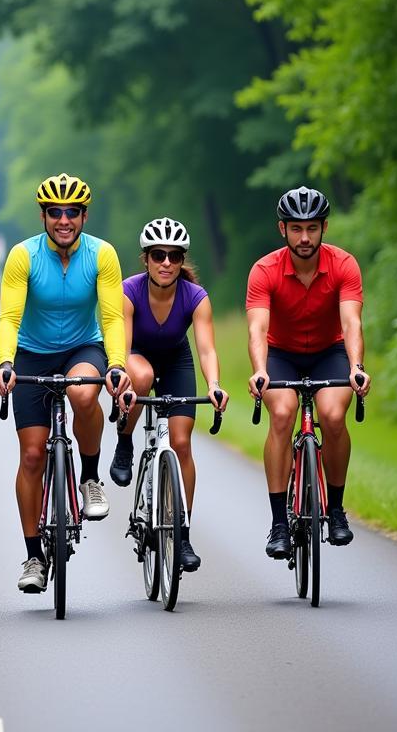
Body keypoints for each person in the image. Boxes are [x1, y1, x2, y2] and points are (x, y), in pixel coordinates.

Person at [0, 173, 130, 594]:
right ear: (44, 216)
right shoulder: (23, 255)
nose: (64, 220)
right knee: (32, 456)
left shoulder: (102, 254)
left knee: (83, 391)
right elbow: (10, 318)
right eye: (55, 212)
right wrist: (5, 362)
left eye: (72, 212)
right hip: (33, 353)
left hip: (82, 349)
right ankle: (34, 555)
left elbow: (110, 317)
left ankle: (89, 476)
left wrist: (118, 363)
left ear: (84, 215)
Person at [246, 186, 369, 559]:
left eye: (312, 228)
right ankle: (279, 523)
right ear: (282, 229)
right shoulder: (264, 270)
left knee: (332, 415)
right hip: (280, 354)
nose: (304, 237)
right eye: (296, 228)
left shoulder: (344, 264)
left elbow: (351, 323)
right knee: (282, 414)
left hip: (328, 352)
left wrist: (357, 367)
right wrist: (260, 371)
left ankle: (335, 509)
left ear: (324, 227)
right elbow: (256, 328)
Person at [111, 216, 228, 571]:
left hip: (177, 359)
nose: (166, 263)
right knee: (142, 376)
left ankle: (183, 535)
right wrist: (124, 386)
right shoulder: (129, 291)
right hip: (137, 355)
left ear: (182, 261)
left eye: (174, 256)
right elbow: (124, 344)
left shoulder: (196, 297)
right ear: (145, 258)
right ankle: (125, 442)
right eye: (158, 255)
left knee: (181, 443)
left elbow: (206, 349)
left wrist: (214, 386)